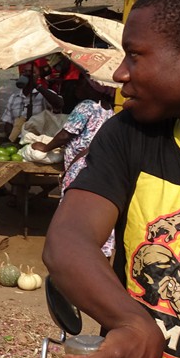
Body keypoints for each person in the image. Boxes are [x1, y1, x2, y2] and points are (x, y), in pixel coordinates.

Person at [42, 0, 180, 358]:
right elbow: (67, 241)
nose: (119, 72)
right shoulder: (129, 136)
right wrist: (132, 323)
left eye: (135, 55)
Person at [32, 76, 116, 254]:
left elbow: (66, 134)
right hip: (98, 166)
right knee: (94, 208)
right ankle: (101, 251)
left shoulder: (86, 105)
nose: (78, 86)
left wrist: (45, 147)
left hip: (79, 168)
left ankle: (71, 250)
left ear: (94, 88)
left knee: (73, 207)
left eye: (83, 83)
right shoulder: (107, 108)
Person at [0, 72, 63, 140]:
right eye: (24, 72)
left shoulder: (44, 94)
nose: (27, 75)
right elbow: (8, 121)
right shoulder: (14, 97)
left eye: (31, 72)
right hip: (19, 139)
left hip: (40, 140)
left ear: (37, 76)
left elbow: (59, 104)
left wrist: (37, 85)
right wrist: (11, 138)